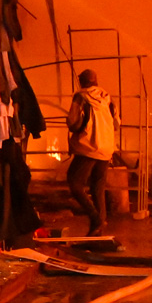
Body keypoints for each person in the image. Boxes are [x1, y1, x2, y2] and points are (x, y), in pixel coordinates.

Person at [65, 68, 119, 236]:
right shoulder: (109, 99)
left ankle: (95, 217)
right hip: (106, 150)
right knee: (98, 188)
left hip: (87, 148)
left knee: (75, 183)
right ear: (96, 81)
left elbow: (73, 122)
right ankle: (98, 230)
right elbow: (116, 125)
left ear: (82, 81)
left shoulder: (80, 97)